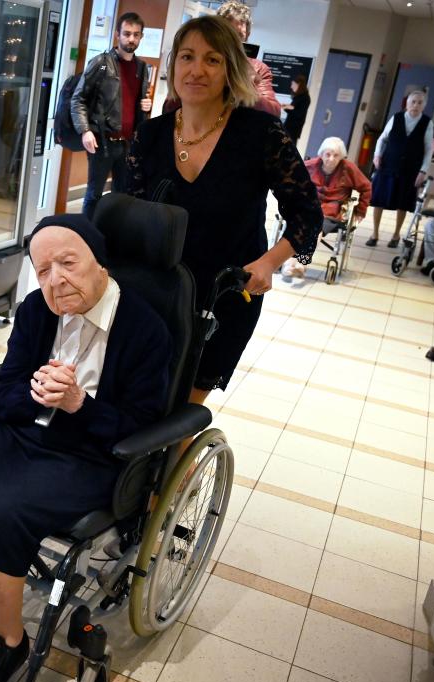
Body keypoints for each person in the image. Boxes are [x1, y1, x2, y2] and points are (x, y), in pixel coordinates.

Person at [0, 214, 171, 682]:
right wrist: (35, 394)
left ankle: (6, 636)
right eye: (42, 270)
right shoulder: (38, 310)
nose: (55, 279)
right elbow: (10, 383)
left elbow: (140, 425)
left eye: (68, 262)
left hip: (91, 451)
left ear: (99, 264)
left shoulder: (144, 328)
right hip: (23, 432)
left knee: (6, 509)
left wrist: (79, 404)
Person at [128, 16, 320, 402]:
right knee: (135, 397)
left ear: (230, 69)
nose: (197, 70)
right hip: (155, 291)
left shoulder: (260, 134)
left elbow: (307, 213)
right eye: (187, 57)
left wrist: (269, 262)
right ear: (173, 66)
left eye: (212, 59)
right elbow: (128, 217)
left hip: (227, 293)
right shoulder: (150, 136)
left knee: (182, 410)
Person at [71, 12, 153, 219]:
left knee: (122, 195)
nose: (131, 39)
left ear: (141, 37)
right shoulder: (101, 63)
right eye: (126, 34)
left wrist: (146, 106)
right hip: (102, 142)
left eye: (136, 34)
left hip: (128, 144)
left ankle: (112, 237)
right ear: (118, 35)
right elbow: (78, 99)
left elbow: (136, 104)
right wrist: (85, 131)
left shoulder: (143, 68)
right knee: (94, 195)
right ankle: (86, 236)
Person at [161, 1, 280, 118]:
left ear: (247, 35)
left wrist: (246, 89)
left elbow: (273, 113)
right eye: (227, 34)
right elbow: (169, 109)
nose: (232, 42)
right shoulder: (198, 63)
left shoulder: (257, 68)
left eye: (239, 36)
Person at [281, 136, 372, 280]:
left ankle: (298, 262)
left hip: (330, 212)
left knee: (315, 228)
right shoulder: (309, 166)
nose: (331, 159)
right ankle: (293, 262)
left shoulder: (348, 169)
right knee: (299, 224)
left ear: (341, 157)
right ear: (321, 154)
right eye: (328, 154)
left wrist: (360, 211)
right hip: (308, 207)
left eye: (336, 155)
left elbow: (366, 187)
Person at [367, 89, 434, 248]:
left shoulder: (427, 123)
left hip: (411, 169)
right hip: (388, 164)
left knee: (403, 203)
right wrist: (377, 156)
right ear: (407, 103)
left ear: (424, 106)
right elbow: (382, 139)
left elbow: (428, 149)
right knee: (379, 200)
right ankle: (374, 233)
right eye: (413, 102)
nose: (416, 105)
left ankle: (396, 234)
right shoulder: (396, 118)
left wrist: (423, 171)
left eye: (419, 103)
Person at [282, 75, 310, 143]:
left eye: (293, 84)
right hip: (289, 127)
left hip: (294, 129)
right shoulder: (298, 96)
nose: (291, 86)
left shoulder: (305, 98)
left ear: (299, 84)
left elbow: (299, 114)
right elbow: (293, 109)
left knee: (289, 147)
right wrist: (287, 107)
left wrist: (290, 108)